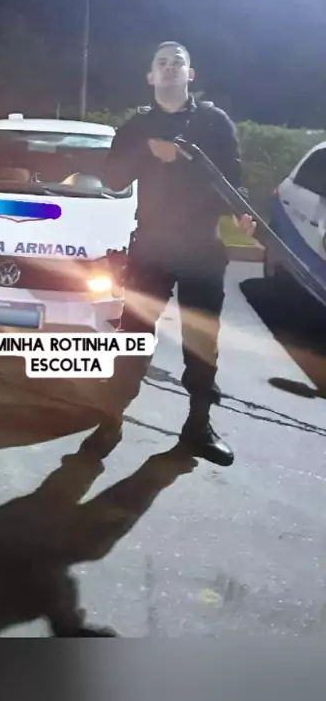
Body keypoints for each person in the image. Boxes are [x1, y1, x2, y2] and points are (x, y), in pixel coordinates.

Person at [84, 41, 256, 467]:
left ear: (189, 75)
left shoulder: (214, 122)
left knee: (202, 343)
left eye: (177, 62)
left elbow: (231, 178)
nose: (169, 68)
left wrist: (242, 212)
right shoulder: (136, 126)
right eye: (161, 63)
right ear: (150, 76)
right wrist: (146, 149)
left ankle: (198, 426)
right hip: (151, 250)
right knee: (133, 337)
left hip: (201, 250)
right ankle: (110, 421)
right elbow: (112, 179)